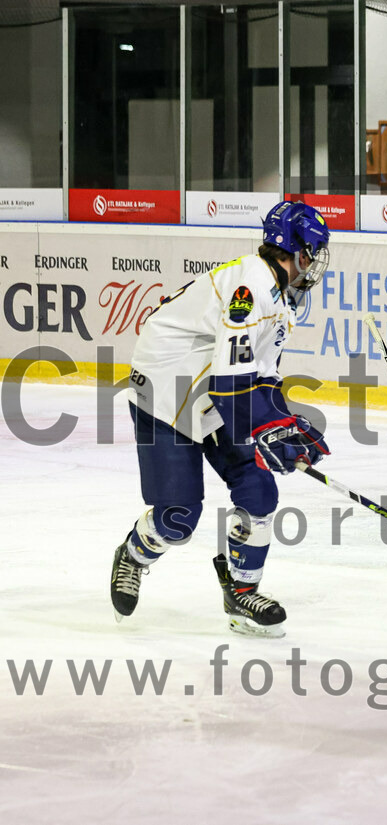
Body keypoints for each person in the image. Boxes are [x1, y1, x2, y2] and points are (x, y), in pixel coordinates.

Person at [110, 201, 332, 638]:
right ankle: (133, 556)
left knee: (258, 486)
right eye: (313, 251)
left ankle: (241, 594)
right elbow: (231, 383)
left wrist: (283, 425)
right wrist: (266, 429)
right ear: (298, 250)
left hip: (210, 391)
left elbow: (262, 378)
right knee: (178, 518)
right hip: (164, 390)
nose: (314, 262)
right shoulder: (250, 289)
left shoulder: (279, 301)